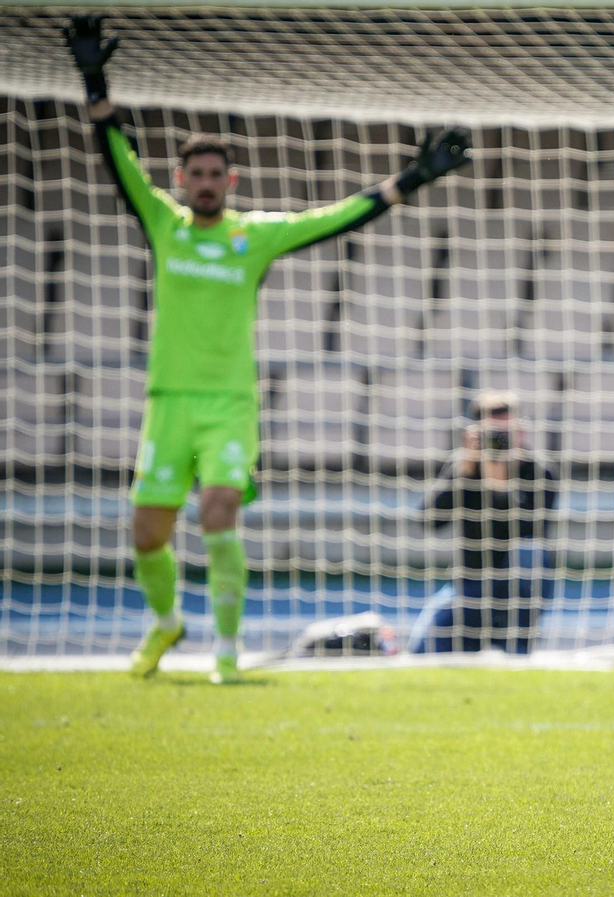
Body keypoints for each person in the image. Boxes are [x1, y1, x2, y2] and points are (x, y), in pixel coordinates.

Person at [64, 16, 471, 684]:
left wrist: (413, 179)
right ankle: (166, 622)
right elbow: (118, 160)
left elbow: (333, 218)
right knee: (146, 533)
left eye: (215, 174)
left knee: (218, 512)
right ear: (180, 177)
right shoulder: (163, 223)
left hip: (229, 404)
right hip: (168, 404)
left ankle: (227, 651)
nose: (204, 182)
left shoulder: (252, 237)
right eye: (195, 173)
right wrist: (93, 79)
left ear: (230, 180)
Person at [410, 391, 558, 654]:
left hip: (518, 589)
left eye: (508, 432)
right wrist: (463, 473)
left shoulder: (538, 471)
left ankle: (516, 647)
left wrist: (499, 486)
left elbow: (527, 531)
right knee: (420, 653)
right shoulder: (467, 467)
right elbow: (429, 521)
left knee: (530, 552)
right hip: (470, 583)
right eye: (494, 434)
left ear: (522, 430)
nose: (502, 440)